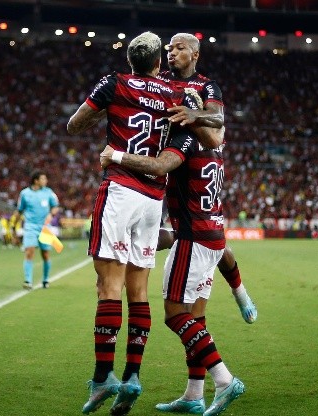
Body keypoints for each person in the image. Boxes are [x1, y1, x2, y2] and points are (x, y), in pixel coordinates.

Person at [67, 31, 221, 416]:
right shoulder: (175, 94)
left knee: (108, 286)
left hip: (120, 192)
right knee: (138, 292)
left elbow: (75, 125)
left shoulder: (115, 83)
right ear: (158, 63)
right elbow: (212, 128)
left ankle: (103, 378)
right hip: (154, 201)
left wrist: (111, 119)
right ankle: (133, 375)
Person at [100, 105, 245, 416]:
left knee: (175, 314)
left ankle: (223, 379)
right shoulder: (215, 147)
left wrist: (115, 155)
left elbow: (162, 166)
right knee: (196, 319)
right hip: (214, 239)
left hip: (192, 238)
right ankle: (194, 395)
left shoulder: (186, 141)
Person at [159, 32, 257, 326]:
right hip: (170, 157)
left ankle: (239, 291)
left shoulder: (206, 86)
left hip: (196, 160)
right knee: (201, 236)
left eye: (180, 48)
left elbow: (217, 120)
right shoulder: (161, 81)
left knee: (208, 234)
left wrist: (193, 112)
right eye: (169, 48)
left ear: (195, 54)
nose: (172, 53)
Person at [16, 171, 60, 290]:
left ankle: (45, 279)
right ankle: (28, 281)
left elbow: (56, 207)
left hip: (45, 228)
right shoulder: (25, 194)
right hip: (30, 227)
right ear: (36, 180)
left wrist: (51, 214)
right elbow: (19, 210)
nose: (45, 181)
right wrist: (14, 225)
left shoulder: (48, 192)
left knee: (45, 254)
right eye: (43, 179)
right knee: (29, 252)